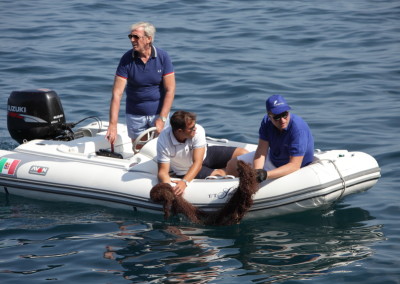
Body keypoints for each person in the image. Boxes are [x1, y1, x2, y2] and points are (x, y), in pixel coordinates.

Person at [106, 22, 175, 147]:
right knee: (139, 152)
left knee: (161, 150)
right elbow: (117, 93)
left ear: (148, 39)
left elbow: (170, 89)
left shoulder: (163, 57)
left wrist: (163, 118)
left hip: (158, 114)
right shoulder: (126, 59)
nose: (132, 40)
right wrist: (112, 125)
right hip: (135, 115)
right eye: (130, 37)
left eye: (136, 37)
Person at [157, 111, 249, 196]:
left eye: (194, 125)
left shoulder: (198, 130)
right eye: (191, 128)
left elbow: (198, 162)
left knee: (242, 153)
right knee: (220, 174)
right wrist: (170, 187)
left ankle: (231, 169)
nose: (195, 129)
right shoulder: (164, 140)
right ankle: (226, 170)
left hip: (205, 155)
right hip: (186, 170)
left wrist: (184, 182)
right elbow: (163, 172)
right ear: (180, 131)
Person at [236, 94, 314, 181]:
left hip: (294, 169)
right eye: (277, 117)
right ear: (269, 116)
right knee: (232, 165)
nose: (282, 120)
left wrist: (265, 175)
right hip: (274, 160)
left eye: (285, 114)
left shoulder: (298, 129)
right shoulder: (266, 122)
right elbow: (261, 152)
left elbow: (294, 165)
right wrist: (257, 172)